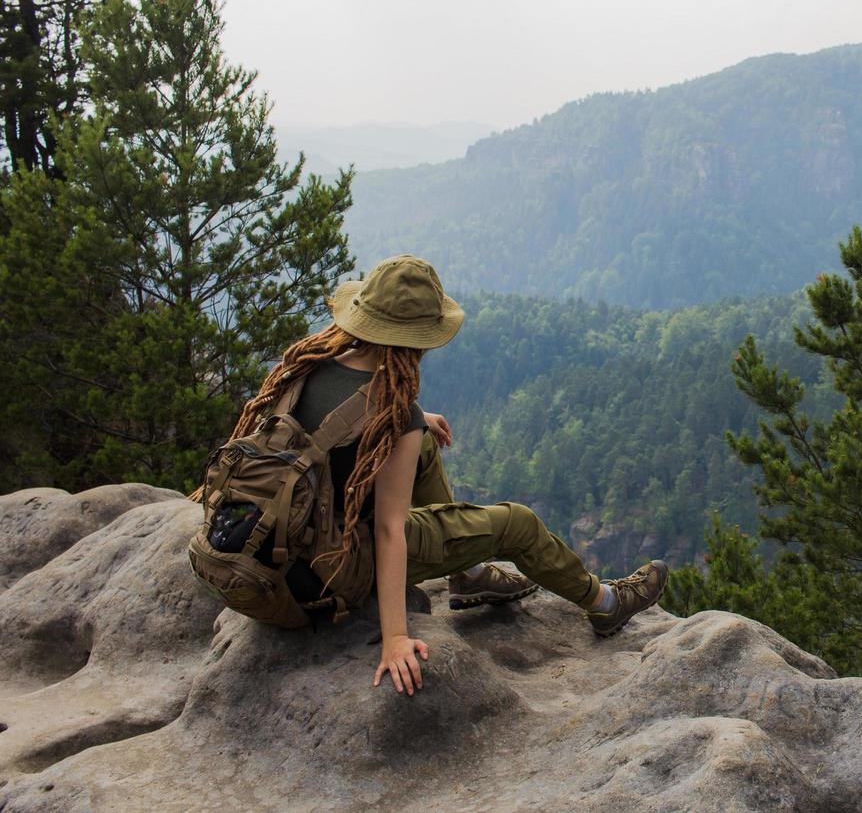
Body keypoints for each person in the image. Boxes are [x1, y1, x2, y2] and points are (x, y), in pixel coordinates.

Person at [228, 254, 668, 696]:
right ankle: (605, 603)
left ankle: (469, 574)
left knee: (419, 441)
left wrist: (416, 424)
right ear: (416, 340)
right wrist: (395, 638)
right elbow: (388, 530)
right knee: (517, 523)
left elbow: (325, 441)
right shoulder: (395, 414)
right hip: (336, 569)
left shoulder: (304, 366)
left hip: (277, 548)